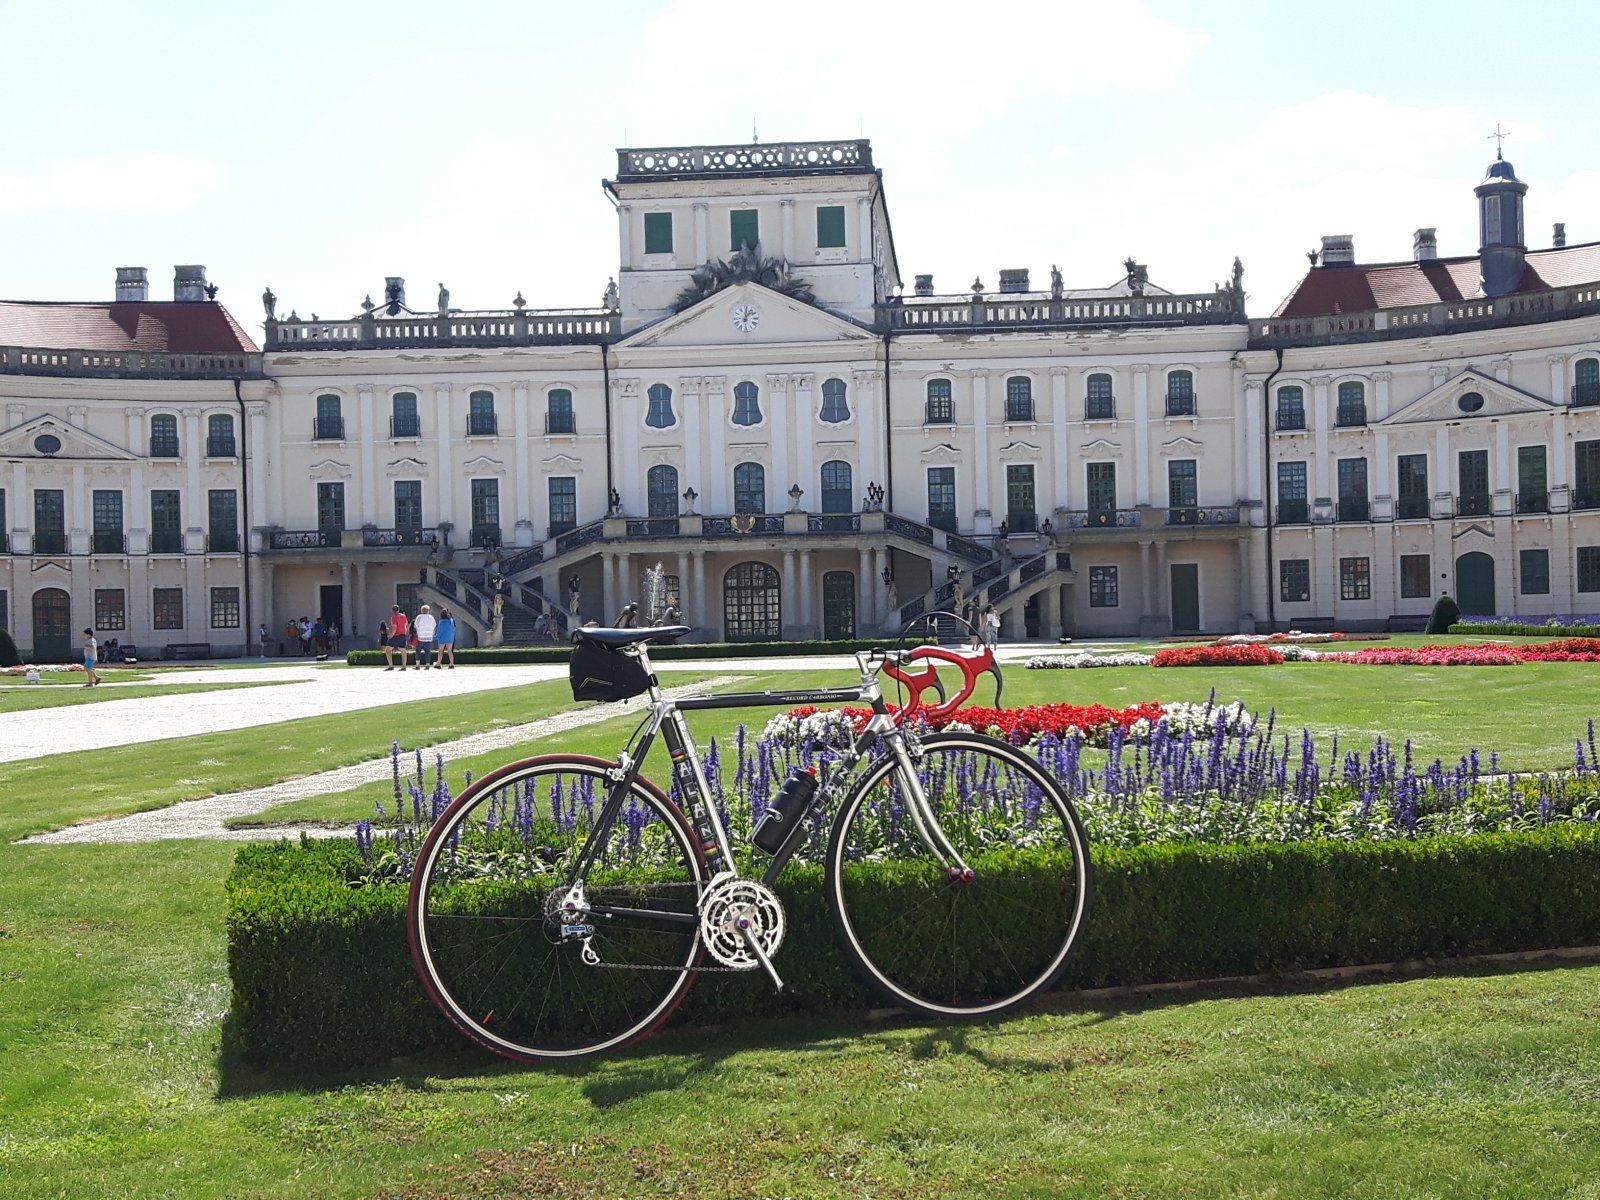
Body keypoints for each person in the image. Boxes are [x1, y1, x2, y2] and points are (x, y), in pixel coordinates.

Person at [386, 605, 411, 670]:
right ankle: (404, 666)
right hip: (403, 635)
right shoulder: (403, 616)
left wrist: (391, 635)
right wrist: (405, 633)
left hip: (396, 635)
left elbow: (394, 627)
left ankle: (391, 666)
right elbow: (406, 625)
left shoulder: (394, 617)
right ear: (398, 609)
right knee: (403, 650)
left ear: (392, 610)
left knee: (388, 649)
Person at [414, 603, 438, 669]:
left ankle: (417, 665)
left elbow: (416, 626)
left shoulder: (419, 617)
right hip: (429, 638)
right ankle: (427, 665)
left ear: (422, 610)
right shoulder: (431, 617)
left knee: (418, 651)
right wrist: (432, 634)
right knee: (427, 652)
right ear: (428, 610)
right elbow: (434, 627)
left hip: (420, 637)